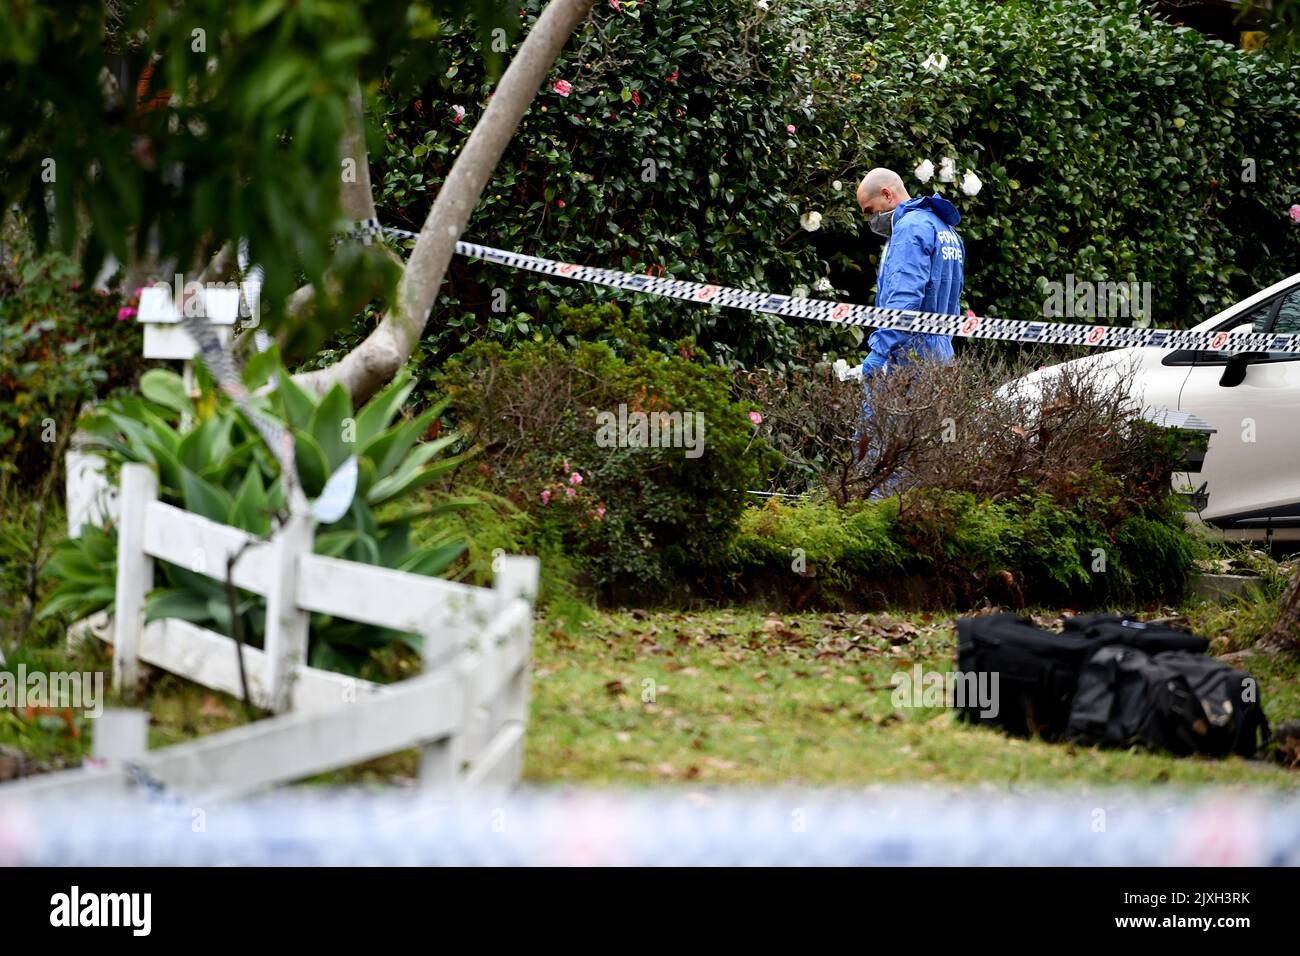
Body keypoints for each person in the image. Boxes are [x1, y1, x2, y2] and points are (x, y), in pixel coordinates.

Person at [855, 167, 964, 385]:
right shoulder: (944, 228)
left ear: (887, 194)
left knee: (886, 419)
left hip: (909, 357)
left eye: (870, 210)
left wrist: (881, 349)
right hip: (940, 353)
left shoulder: (909, 228)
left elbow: (905, 296)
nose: (871, 219)